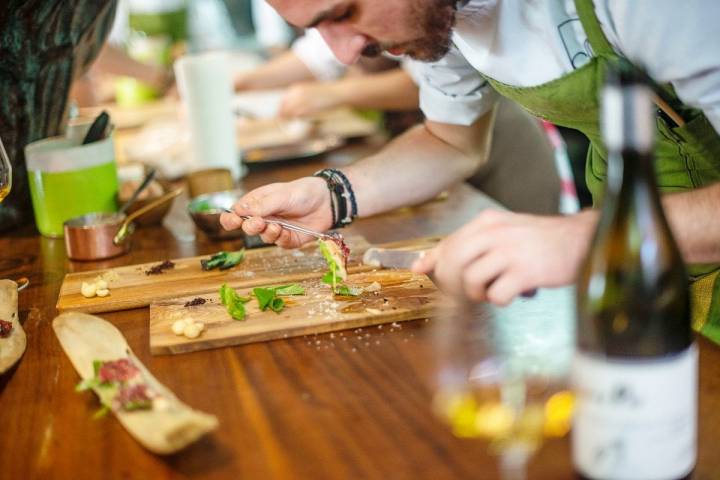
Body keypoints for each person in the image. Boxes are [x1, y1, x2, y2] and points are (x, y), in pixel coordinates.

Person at [220, 0, 720, 341]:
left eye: (345, 11)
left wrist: (583, 239)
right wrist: (333, 194)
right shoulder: (442, 17)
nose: (343, 53)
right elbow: (451, 139)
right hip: (641, 278)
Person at [236, 29, 564, 214]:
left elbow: (423, 82)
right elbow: (313, 56)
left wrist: (336, 93)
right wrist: (239, 82)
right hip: (433, 147)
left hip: (504, 144)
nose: (347, 53)